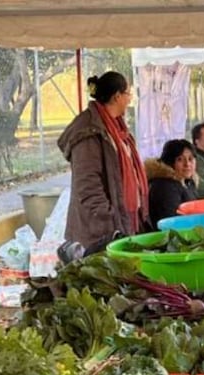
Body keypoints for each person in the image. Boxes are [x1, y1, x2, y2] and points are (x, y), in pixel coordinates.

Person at [58, 71, 149, 253]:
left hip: (120, 222)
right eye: (128, 94)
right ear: (117, 96)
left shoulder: (116, 126)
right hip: (99, 231)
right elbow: (87, 184)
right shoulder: (88, 131)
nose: (130, 99)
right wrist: (108, 220)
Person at [146, 139, 199, 225]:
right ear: (169, 162)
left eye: (190, 159)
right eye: (180, 159)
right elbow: (172, 222)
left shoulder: (188, 181)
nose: (187, 164)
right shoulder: (165, 186)